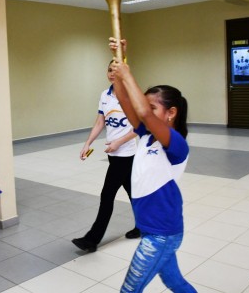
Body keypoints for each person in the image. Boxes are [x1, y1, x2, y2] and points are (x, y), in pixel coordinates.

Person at [109, 38, 197, 293]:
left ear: (171, 113)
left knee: (129, 290)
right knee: (175, 282)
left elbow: (144, 113)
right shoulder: (146, 134)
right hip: (152, 230)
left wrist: (129, 74)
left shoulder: (177, 144)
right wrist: (119, 68)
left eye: (152, 107)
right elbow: (126, 101)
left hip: (162, 234)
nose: (144, 111)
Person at [72, 60, 140, 253]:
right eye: (109, 70)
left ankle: (92, 239)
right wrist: (87, 143)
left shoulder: (131, 96)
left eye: (116, 71)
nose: (111, 74)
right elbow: (100, 122)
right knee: (132, 192)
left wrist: (119, 142)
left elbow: (139, 127)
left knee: (107, 195)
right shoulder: (105, 95)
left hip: (126, 154)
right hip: (114, 153)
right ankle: (145, 225)